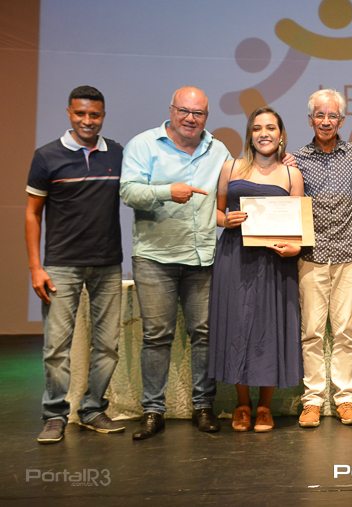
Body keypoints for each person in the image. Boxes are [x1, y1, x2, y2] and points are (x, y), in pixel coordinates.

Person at [121, 86, 230, 440]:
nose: (190, 118)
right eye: (184, 111)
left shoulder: (218, 150)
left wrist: (283, 162)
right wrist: (168, 191)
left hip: (202, 258)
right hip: (155, 258)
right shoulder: (144, 145)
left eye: (198, 113)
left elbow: (239, 181)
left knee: (204, 335)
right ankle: (153, 411)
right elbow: (128, 192)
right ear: (171, 110)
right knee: (156, 336)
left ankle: (203, 406)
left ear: (206, 117)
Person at [26, 85, 124, 443]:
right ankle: (55, 415)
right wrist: (36, 267)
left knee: (108, 346)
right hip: (61, 265)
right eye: (80, 113)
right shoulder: (46, 156)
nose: (87, 120)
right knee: (56, 348)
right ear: (69, 113)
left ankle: (92, 409)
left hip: (108, 264)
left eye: (94, 115)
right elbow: (32, 214)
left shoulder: (117, 153)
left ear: (103, 116)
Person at [209, 107, 304, 432]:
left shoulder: (291, 175)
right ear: (250, 134)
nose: (264, 133)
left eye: (271, 128)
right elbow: (215, 213)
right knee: (237, 326)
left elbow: (298, 225)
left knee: (269, 328)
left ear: (281, 135)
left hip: (275, 261)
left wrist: (296, 248)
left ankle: (264, 406)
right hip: (235, 256)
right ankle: (242, 404)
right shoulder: (230, 167)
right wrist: (226, 220)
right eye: (258, 128)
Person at [293, 89, 352, 428]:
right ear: (310, 120)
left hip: (349, 253)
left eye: (332, 115)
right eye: (319, 115)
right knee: (312, 332)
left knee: (346, 331)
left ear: (341, 120)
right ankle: (313, 401)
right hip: (312, 254)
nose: (325, 121)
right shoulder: (296, 159)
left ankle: (345, 398)